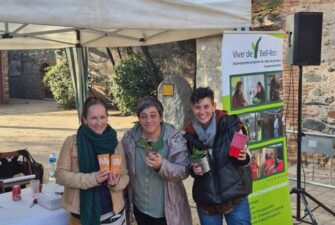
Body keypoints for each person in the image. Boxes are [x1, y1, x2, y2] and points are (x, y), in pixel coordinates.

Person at [56, 97, 129, 225]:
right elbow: (61, 176)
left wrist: (115, 183)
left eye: (102, 117)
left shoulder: (115, 143)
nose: (99, 122)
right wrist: (93, 179)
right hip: (81, 215)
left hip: (113, 214)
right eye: (93, 118)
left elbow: (125, 175)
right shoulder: (71, 142)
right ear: (84, 119)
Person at [184, 87, 252, 225]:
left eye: (206, 107)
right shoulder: (189, 135)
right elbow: (188, 164)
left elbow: (246, 158)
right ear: (192, 108)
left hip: (236, 197)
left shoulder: (231, 124)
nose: (202, 112)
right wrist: (193, 169)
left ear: (214, 106)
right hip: (207, 201)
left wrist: (244, 157)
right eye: (198, 107)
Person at [122, 96, 192, 225]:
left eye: (153, 115)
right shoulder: (129, 139)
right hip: (140, 208)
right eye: (143, 116)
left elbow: (184, 169)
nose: (148, 120)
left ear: (160, 117)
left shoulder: (174, 139)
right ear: (139, 119)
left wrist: (162, 165)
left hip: (167, 211)